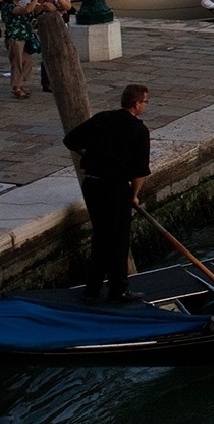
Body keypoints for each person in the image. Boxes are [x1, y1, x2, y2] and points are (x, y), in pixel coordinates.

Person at [64, 84, 152, 302]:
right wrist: (133, 195)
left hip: (92, 186)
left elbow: (70, 140)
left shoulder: (102, 118)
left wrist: (90, 156)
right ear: (136, 104)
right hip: (115, 189)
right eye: (145, 102)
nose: (146, 106)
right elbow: (140, 171)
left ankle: (94, 289)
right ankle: (116, 289)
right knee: (117, 240)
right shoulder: (139, 130)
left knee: (102, 237)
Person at [31, 0, 75, 93]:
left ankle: (62, 79)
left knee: (63, 53)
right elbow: (34, 10)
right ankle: (46, 82)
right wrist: (43, 6)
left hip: (62, 25)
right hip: (47, 26)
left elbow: (67, 7)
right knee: (49, 53)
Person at [0, 0, 38, 99]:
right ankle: (16, 86)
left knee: (27, 61)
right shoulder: (9, 7)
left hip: (25, 37)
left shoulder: (18, 5)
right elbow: (27, 10)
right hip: (15, 38)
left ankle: (21, 83)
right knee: (17, 62)